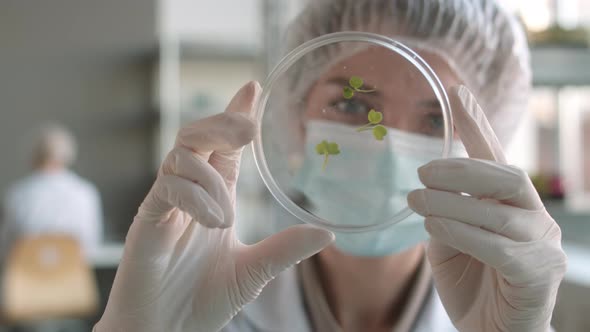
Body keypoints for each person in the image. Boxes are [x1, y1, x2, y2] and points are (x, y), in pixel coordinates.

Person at [95, 0, 567, 331]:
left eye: (434, 119)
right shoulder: (213, 307)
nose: (387, 150)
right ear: (292, 120)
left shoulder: (498, 315)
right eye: (353, 106)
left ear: (487, 138)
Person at [1, 124, 103, 260]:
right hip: (73, 277)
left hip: (26, 277)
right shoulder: (86, 192)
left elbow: (6, 246)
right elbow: (92, 244)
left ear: (33, 156)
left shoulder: (17, 193)